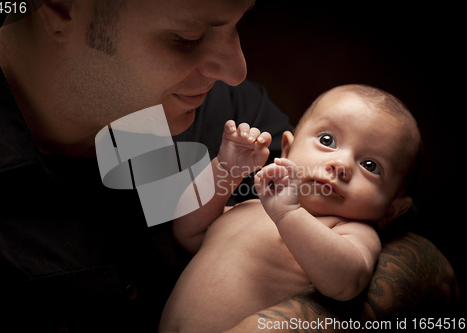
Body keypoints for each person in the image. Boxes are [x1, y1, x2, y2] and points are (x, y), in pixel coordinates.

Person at [0, 0, 458, 332]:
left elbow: (426, 265)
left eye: (235, 23)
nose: (236, 69)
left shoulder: (213, 108)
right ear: (58, 7)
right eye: (187, 36)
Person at [158, 84, 423, 332]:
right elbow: (189, 232)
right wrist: (225, 169)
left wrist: (288, 215)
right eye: (328, 140)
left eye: (370, 166)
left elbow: (345, 283)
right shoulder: (251, 207)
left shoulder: (349, 232)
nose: (341, 164)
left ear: (392, 210)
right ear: (286, 149)